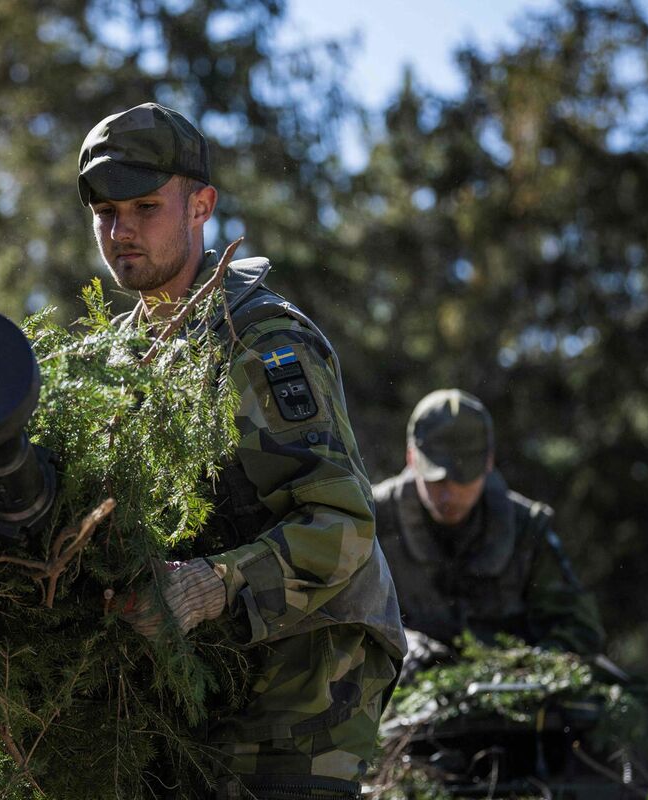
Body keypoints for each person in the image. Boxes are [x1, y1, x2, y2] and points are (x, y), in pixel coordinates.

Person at [79, 103, 407, 800]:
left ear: (201, 207)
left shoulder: (259, 344)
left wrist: (211, 584)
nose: (122, 231)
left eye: (145, 206)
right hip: (201, 677)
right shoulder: (118, 359)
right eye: (106, 212)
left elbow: (344, 525)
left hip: (307, 672)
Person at [373, 388, 605, 669]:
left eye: (463, 479)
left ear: (488, 462)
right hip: (394, 694)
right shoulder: (372, 520)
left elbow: (578, 628)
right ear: (411, 458)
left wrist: (522, 666)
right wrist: (401, 646)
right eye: (436, 480)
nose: (449, 496)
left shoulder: (527, 529)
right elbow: (337, 618)